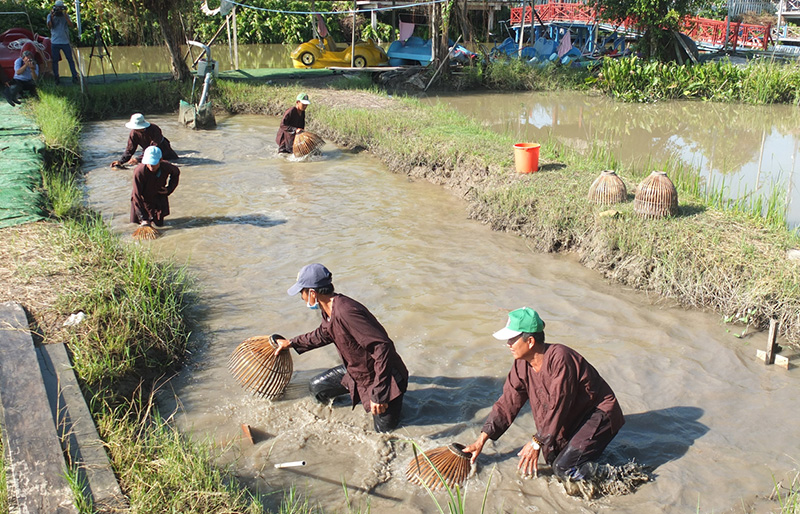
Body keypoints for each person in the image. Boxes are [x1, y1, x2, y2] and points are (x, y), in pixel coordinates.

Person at [464, 307, 624, 497]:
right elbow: (508, 402)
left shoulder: (560, 358)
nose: (508, 344)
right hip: (571, 417)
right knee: (554, 460)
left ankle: (619, 477)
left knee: (564, 469)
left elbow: (559, 403)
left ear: (530, 341)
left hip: (599, 414)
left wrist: (536, 441)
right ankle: (591, 461)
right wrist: (482, 439)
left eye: (512, 339)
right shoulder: (521, 365)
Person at [275, 263, 409, 432]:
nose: (301, 297)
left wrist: (380, 394)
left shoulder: (346, 311)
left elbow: (383, 347)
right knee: (317, 387)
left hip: (383, 378)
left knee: (384, 433)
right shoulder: (327, 309)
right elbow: (323, 333)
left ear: (312, 293)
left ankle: (389, 403)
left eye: (301, 292)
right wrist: (292, 342)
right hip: (357, 371)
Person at [130, 146, 180, 228]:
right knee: (135, 225)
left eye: (154, 163)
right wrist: (143, 218)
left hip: (158, 197)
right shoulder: (139, 172)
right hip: (141, 200)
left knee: (159, 225)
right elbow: (136, 195)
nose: (151, 166)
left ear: (160, 160)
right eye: (149, 163)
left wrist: (169, 189)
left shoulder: (167, 167)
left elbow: (176, 173)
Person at [111, 113, 178, 168]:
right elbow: (130, 149)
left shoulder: (154, 129)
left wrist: (138, 159)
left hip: (165, 152)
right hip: (148, 155)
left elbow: (154, 147)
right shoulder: (133, 133)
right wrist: (121, 161)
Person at [46, 0, 79, 85]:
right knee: (55, 61)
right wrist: (53, 16)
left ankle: (74, 76)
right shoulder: (50, 15)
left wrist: (65, 15)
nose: (59, 10)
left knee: (70, 59)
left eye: (61, 8)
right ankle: (56, 77)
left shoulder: (66, 15)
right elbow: (49, 26)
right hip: (55, 42)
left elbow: (71, 25)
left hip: (65, 41)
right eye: (58, 8)